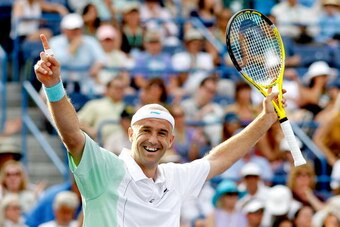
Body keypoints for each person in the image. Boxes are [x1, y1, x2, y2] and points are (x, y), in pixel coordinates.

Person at [33, 33, 285, 226]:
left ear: (171, 141)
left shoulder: (173, 177)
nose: (153, 139)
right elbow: (72, 135)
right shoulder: (106, 169)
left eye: (162, 133)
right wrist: (54, 86)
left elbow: (219, 158)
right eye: (146, 130)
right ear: (131, 134)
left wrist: (265, 119)